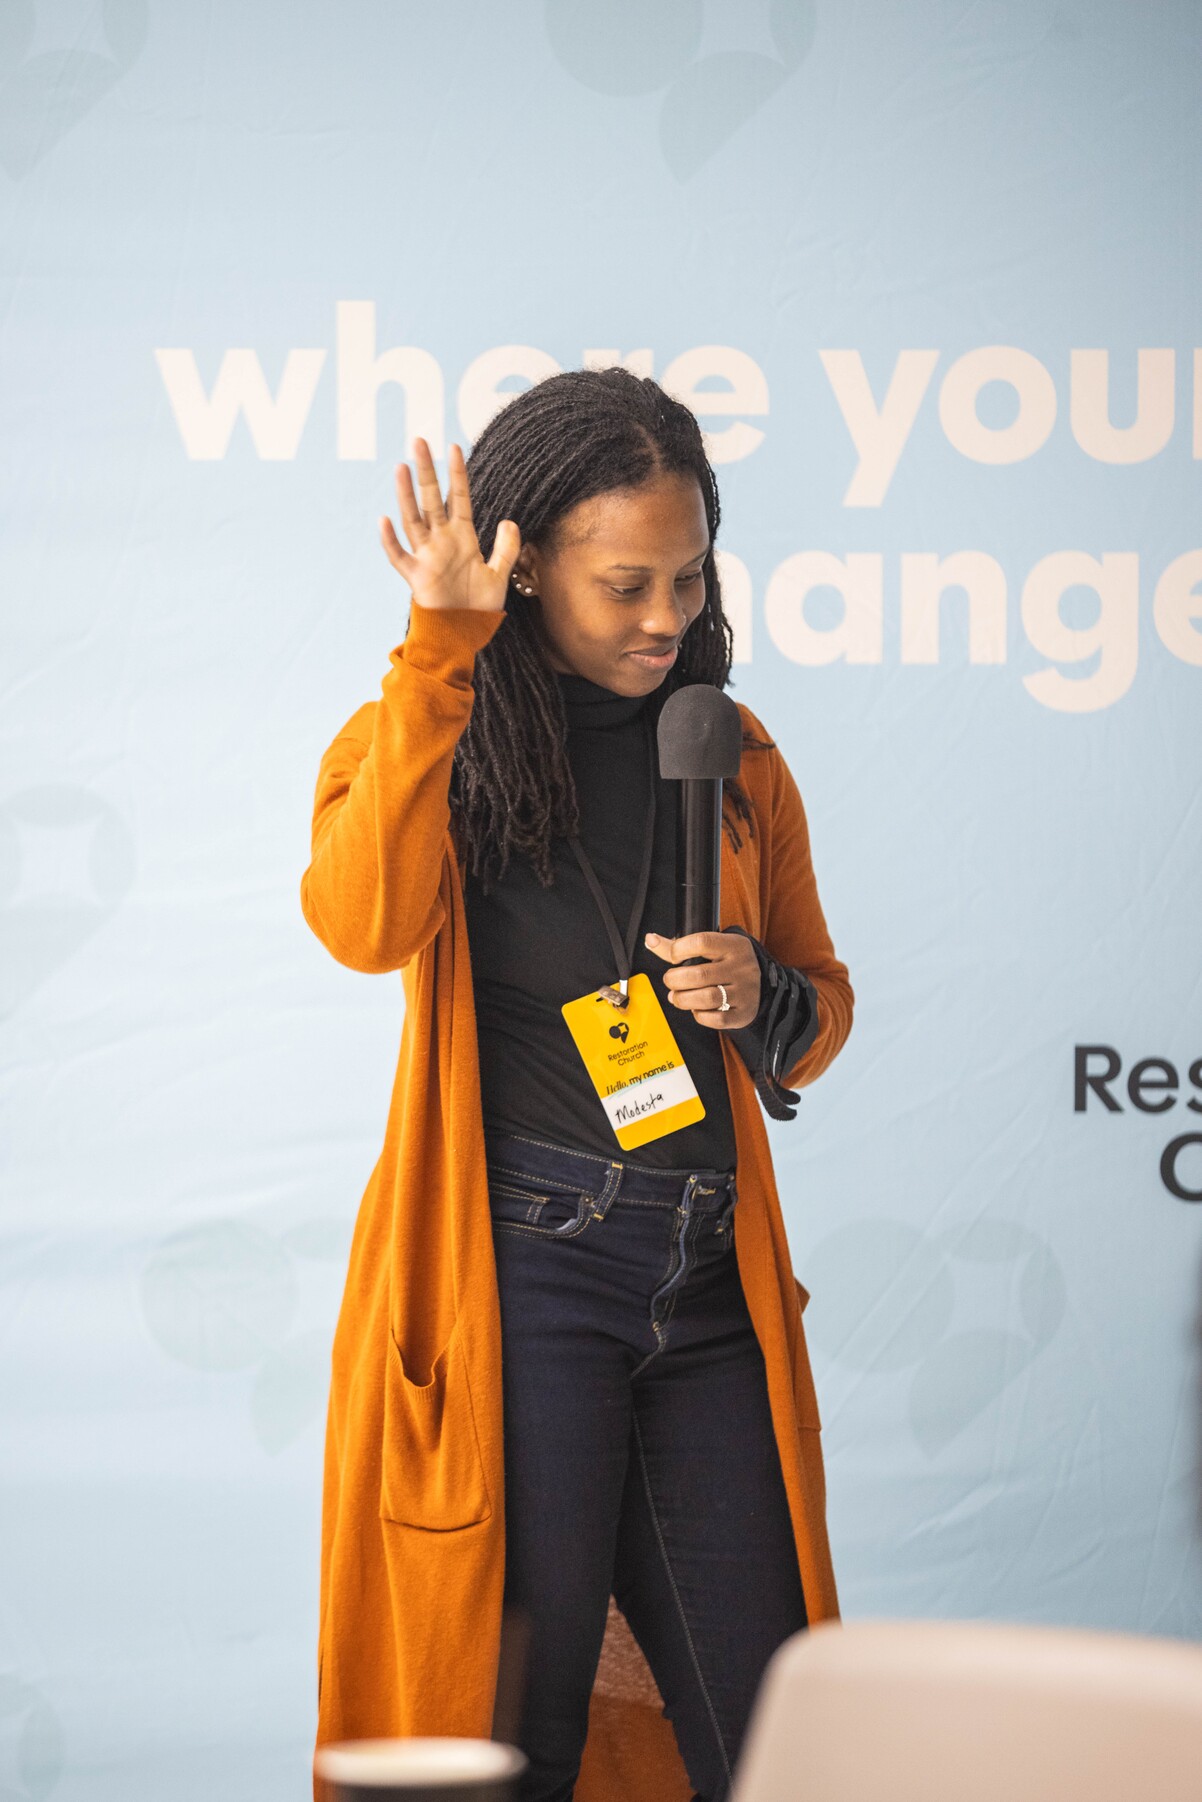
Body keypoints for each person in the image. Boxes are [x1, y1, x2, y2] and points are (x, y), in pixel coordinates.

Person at [302, 369, 854, 1802]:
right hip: (521, 1275)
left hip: (707, 1275)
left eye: (686, 576)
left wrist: (761, 994)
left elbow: (817, 1004)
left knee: (779, 1738)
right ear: (526, 559)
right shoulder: (429, 738)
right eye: (623, 583)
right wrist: (438, 649)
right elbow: (358, 922)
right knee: (507, 1741)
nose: (664, 616)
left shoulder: (737, 759)